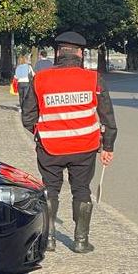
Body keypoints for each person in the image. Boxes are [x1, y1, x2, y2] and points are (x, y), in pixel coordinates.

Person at [21, 32, 117, 254]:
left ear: (57, 53)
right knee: (82, 190)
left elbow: (28, 116)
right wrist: (108, 146)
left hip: (50, 147)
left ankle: (50, 239)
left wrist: (39, 133)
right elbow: (108, 117)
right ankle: (81, 241)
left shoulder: (41, 79)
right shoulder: (93, 79)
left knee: (50, 190)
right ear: (81, 54)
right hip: (84, 146)